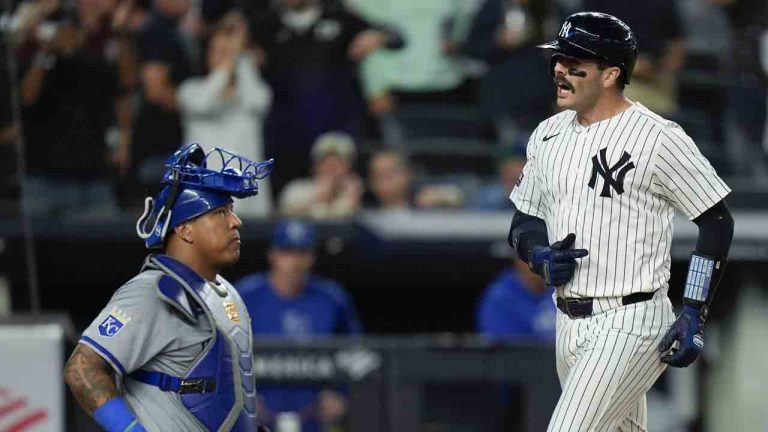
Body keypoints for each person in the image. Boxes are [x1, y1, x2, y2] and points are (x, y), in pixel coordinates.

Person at [506, 12, 734, 431]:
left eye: (575, 64)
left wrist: (693, 310)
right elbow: (524, 219)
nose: (559, 70)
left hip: (632, 319)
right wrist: (538, 255)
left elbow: (716, 221)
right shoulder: (547, 134)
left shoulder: (657, 136)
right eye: (558, 60)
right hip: (568, 322)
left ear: (610, 74)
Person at [63, 143, 273, 432]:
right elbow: (81, 370)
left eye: (232, 211)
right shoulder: (150, 292)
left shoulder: (225, 291)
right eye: (221, 212)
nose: (236, 222)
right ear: (185, 229)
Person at [249, 0, 404, 195]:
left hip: (337, 135)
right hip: (285, 137)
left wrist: (378, 37)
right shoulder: (264, 24)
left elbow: (397, 38)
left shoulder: (340, 16)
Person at [236, 219, 363, 432]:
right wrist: (239, 397)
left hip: (314, 418)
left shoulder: (332, 299)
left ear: (312, 257)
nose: (294, 261)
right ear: (272, 254)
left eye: (301, 253)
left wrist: (341, 394)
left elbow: (360, 353)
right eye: (287, 252)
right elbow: (221, 353)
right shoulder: (244, 296)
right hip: (256, 418)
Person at [178, 13, 274, 218]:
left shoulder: (253, 92)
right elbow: (207, 102)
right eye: (218, 51)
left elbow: (258, 102)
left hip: (251, 204)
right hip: (206, 203)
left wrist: (242, 59)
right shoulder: (190, 91)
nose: (226, 58)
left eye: (229, 52)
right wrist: (230, 59)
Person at [278, 131, 363, 219]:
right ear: (315, 165)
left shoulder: (354, 192)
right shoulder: (296, 189)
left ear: (349, 167)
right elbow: (285, 216)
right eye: (326, 163)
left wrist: (349, 200)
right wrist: (317, 197)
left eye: (339, 164)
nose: (332, 170)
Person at [476, 258, 556, 342]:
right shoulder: (501, 298)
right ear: (518, 260)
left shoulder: (558, 287)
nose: (539, 264)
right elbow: (504, 350)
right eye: (532, 259)